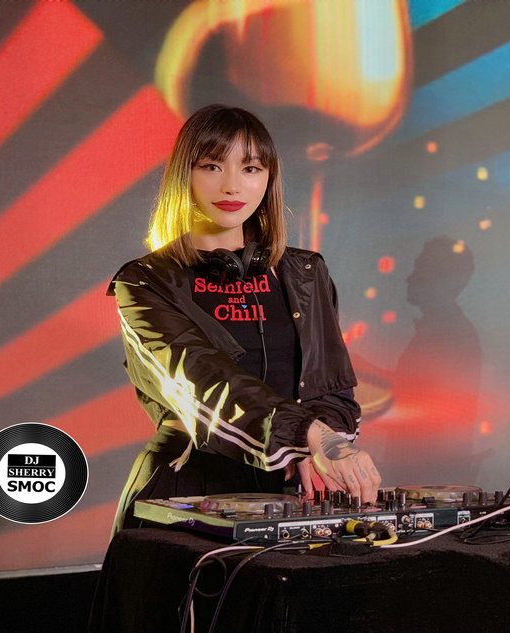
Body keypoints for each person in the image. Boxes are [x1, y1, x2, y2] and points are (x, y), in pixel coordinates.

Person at [107, 104, 381, 534]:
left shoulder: (305, 272)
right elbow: (205, 380)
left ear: (268, 179)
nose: (232, 184)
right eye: (212, 166)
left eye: (251, 168)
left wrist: (315, 447)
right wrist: (309, 435)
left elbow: (334, 389)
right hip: (187, 487)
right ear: (184, 175)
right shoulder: (144, 282)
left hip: (292, 490)